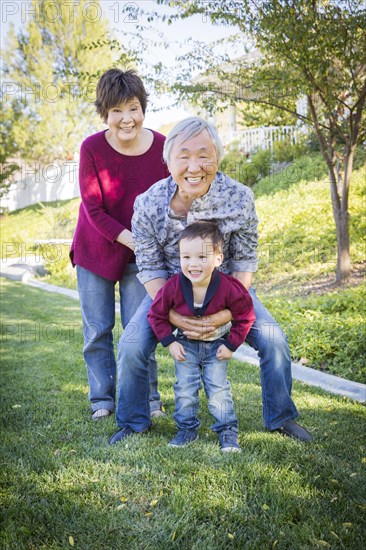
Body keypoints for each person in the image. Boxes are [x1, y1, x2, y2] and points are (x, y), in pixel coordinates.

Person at [109, 116, 312, 444]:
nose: (194, 166)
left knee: (274, 340)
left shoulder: (240, 198)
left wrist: (225, 314)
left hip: (231, 289)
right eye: (183, 156)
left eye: (204, 155)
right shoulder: (146, 204)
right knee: (132, 344)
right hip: (168, 292)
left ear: (218, 157)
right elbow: (149, 267)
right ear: (168, 160)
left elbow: (245, 261)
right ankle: (133, 422)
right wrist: (175, 315)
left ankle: (281, 417)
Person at [70, 68, 169, 420]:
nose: (126, 119)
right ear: (105, 114)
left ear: (143, 108)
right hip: (96, 250)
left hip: (140, 256)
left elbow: (169, 200)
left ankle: (149, 399)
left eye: (133, 108)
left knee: (140, 328)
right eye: (117, 111)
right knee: (97, 330)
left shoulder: (161, 147)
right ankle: (102, 400)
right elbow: (92, 207)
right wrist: (133, 239)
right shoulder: (92, 148)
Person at [147, 221, 256, 451]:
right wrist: (169, 341)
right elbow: (156, 314)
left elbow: (245, 315)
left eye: (201, 257)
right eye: (186, 257)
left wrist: (231, 344)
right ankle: (186, 430)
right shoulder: (174, 286)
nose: (193, 264)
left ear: (218, 259)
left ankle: (228, 431)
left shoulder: (229, 287)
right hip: (186, 345)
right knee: (185, 390)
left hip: (217, 346)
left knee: (218, 390)